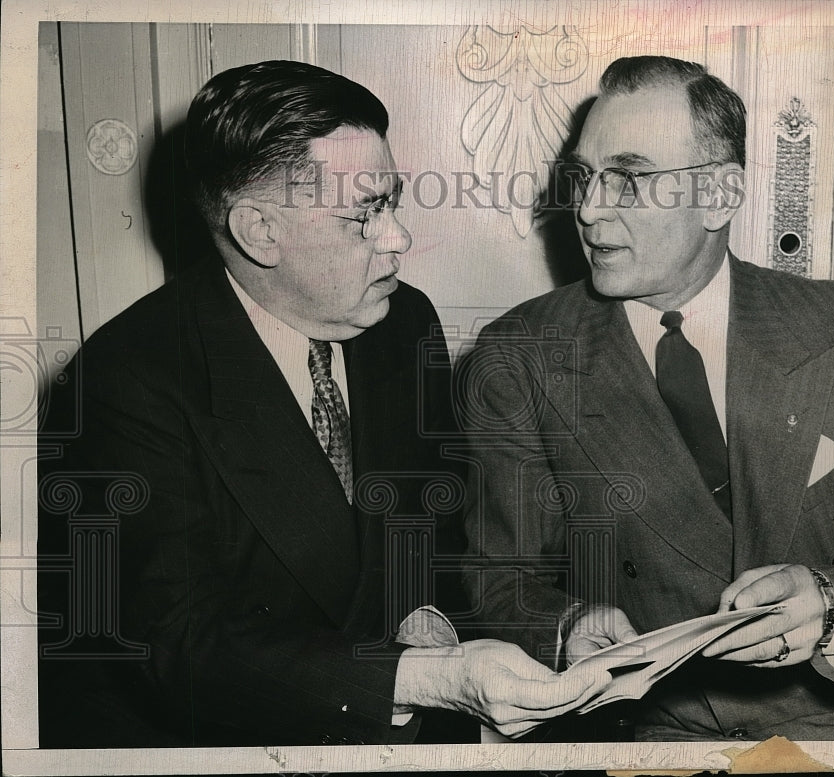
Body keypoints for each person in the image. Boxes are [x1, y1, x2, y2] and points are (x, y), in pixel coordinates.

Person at [36, 60, 609, 748]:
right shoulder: (122, 382)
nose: (397, 237)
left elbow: (431, 517)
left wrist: (445, 612)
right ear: (260, 231)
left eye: (392, 201)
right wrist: (428, 676)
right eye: (365, 213)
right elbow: (184, 646)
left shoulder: (403, 323)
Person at [461, 55, 834, 741]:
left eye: (628, 179)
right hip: (671, 731)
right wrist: (566, 623)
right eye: (582, 177)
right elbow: (500, 580)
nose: (588, 208)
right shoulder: (519, 355)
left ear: (721, 194)